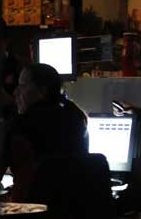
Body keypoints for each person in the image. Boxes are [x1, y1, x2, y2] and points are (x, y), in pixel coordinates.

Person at [5, 63, 88, 202]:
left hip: (33, 213)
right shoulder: (77, 117)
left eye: (22, 86)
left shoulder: (21, 124)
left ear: (42, 91)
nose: (15, 92)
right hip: (73, 211)